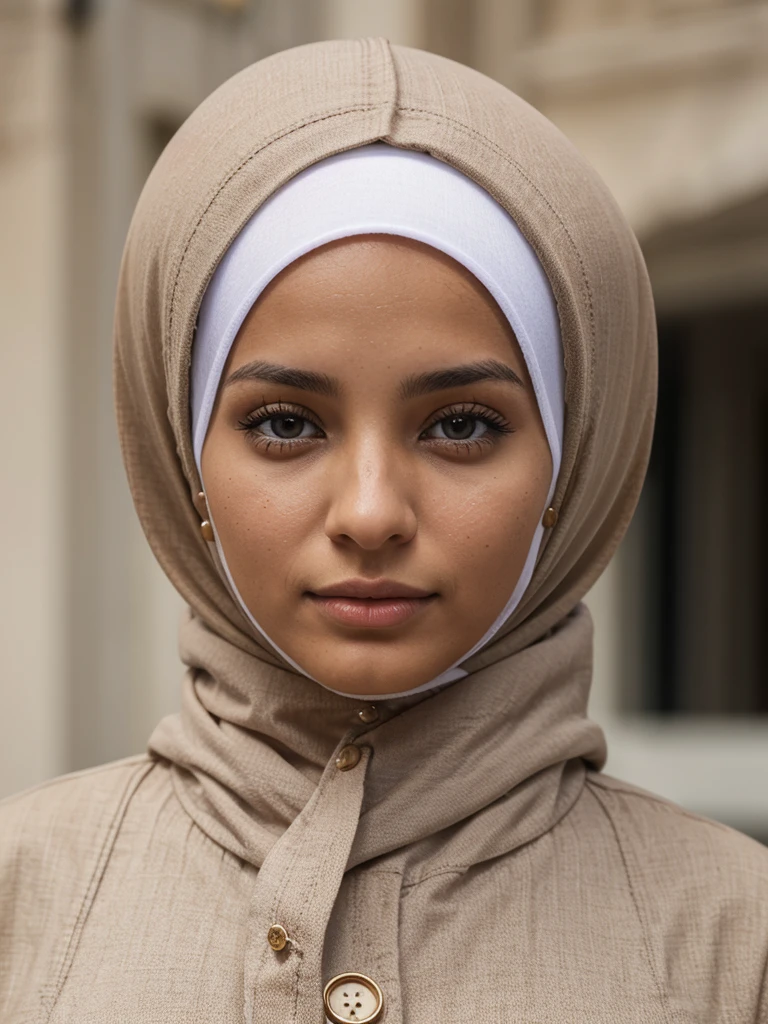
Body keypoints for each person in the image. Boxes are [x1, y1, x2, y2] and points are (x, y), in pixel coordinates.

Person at [1, 37, 766, 1024]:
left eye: (460, 425)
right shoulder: (24, 906)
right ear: (188, 465)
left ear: (568, 471)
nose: (370, 513)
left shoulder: (734, 945)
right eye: (284, 423)